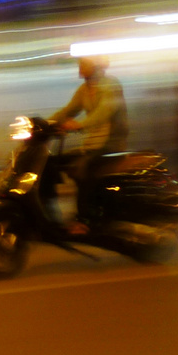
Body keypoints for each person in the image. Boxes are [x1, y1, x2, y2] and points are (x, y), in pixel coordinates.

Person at [49, 55, 129, 234]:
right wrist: (45, 125)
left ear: (96, 66)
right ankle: (49, 212)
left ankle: (85, 219)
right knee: (51, 162)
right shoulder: (84, 90)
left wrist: (80, 124)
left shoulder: (110, 85)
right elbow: (68, 111)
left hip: (111, 144)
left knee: (83, 168)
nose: (79, 67)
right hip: (92, 144)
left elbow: (104, 112)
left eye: (83, 64)